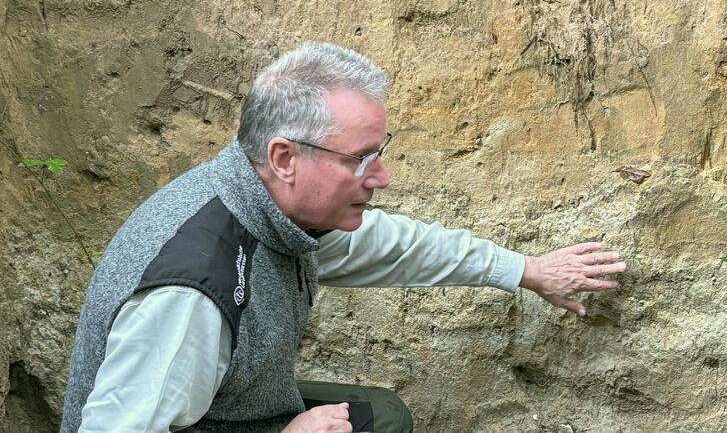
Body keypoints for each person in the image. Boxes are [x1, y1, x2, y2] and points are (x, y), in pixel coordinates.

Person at [60, 42, 625, 433]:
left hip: (230, 411)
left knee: (382, 417)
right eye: (360, 159)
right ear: (285, 157)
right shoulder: (192, 294)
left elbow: (393, 246)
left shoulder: (266, 204)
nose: (380, 177)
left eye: (380, 153)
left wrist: (524, 270)